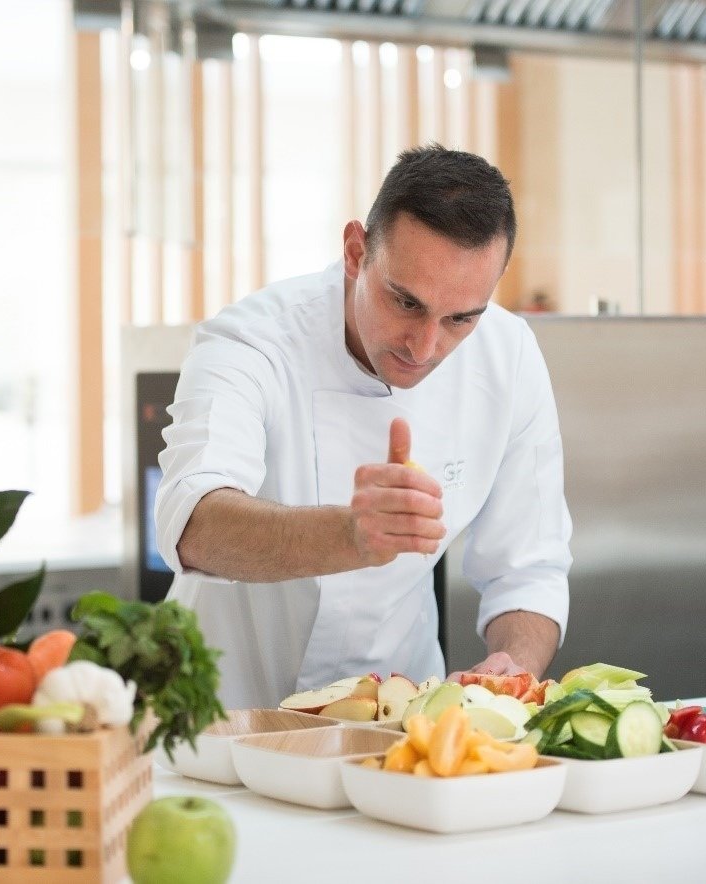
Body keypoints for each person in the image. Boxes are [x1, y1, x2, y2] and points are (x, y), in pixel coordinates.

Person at [153, 144, 572, 709]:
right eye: (406, 302)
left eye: (460, 318)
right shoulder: (251, 342)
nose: (426, 347)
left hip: (398, 724)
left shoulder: (509, 355)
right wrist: (350, 535)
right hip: (225, 717)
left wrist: (511, 669)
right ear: (356, 251)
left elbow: (530, 568)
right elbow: (192, 524)